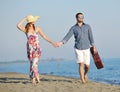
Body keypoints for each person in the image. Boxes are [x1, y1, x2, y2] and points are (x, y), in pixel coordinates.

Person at [56, 13, 97, 83]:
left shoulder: (87, 26)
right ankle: (83, 80)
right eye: (79, 17)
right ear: (76, 18)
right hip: (78, 48)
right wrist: (61, 43)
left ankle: (85, 74)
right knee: (81, 64)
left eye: (82, 17)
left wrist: (93, 46)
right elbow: (67, 36)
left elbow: (91, 37)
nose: (81, 18)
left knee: (87, 65)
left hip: (87, 48)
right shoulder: (73, 28)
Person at [17, 15, 57, 85]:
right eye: (32, 20)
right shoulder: (26, 29)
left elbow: (44, 36)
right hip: (30, 50)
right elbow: (18, 25)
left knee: (34, 64)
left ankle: (35, 79)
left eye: (34, 20)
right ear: (30, 21)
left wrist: (52, 42)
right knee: (32, 64)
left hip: (37, 49)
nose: (34, 21)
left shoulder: (37, 28)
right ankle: (36, 78)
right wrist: (24, 18)